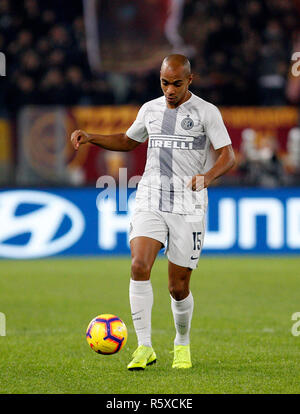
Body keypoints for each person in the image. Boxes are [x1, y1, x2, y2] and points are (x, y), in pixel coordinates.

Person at [70, 54, 235, 370]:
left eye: (176, 83)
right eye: (164, 83)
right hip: (150, 197)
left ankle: (181, 344)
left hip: (189, 204)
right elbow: (128, 141)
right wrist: (91, 137)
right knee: (138, 265)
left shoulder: (206, 112)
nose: (169, 90)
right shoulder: (150, 109)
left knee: (178, 287)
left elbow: (228, 156)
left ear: (189, 80)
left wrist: (208, 177)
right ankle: (144, 347)